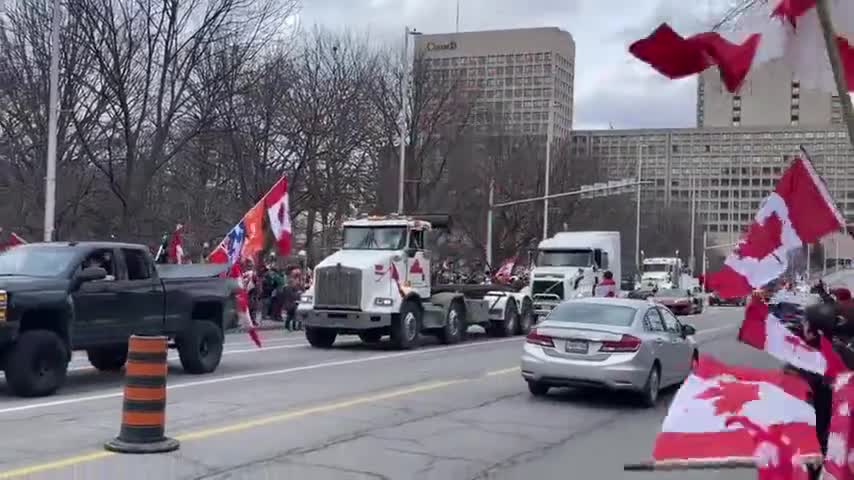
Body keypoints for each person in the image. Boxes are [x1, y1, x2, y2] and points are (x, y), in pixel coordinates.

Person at [282, 266, 303, 331]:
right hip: (292, 301)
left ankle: (294, 326)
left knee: (295, 314)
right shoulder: (289, 283)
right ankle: (290, 326)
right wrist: (298, 293)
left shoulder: (297, 282)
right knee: (292, 314)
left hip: (295, 301)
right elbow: (291, 293)